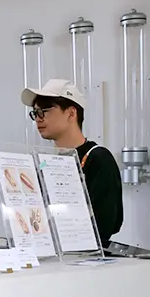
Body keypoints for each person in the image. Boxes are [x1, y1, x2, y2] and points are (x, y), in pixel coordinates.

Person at [21, 78, 123, 248]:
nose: (38, 119)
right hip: (49, 252)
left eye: (44, 111)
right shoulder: (45, 163)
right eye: (35, 113)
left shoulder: (97, 158)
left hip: (88, 257)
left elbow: (107, 223)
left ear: (71, 113)